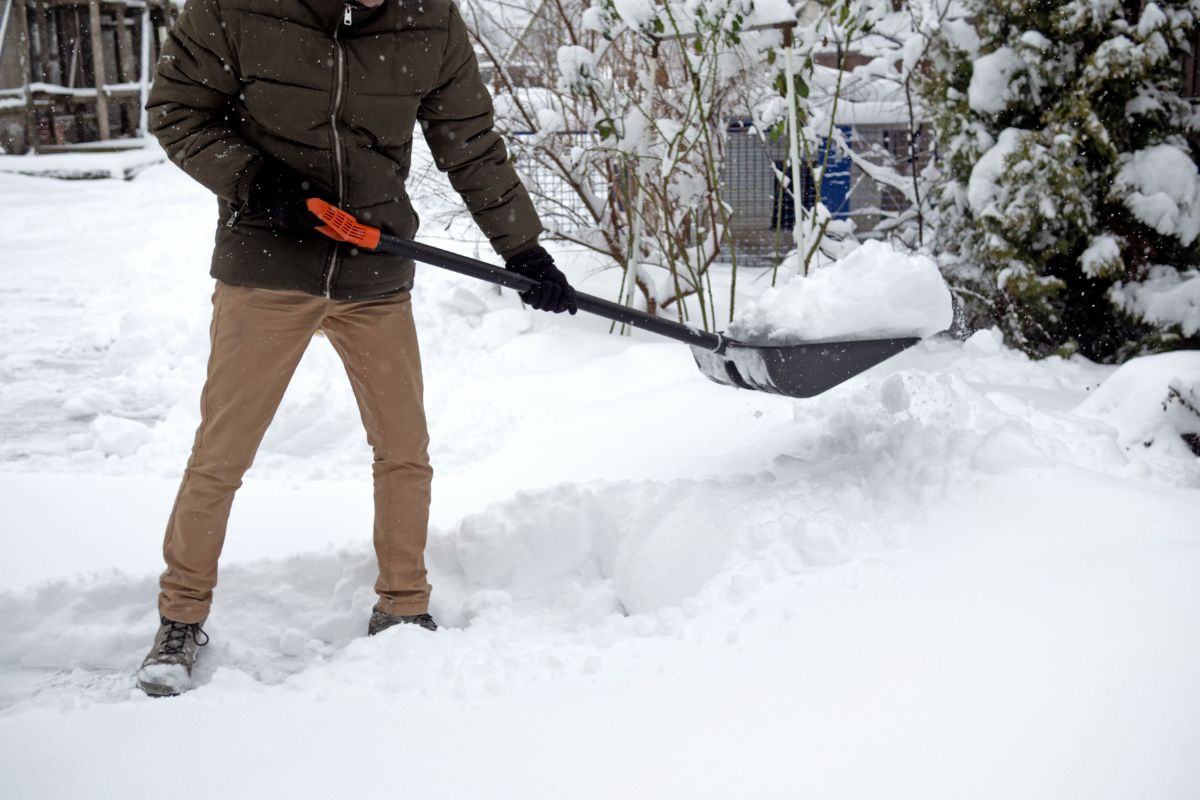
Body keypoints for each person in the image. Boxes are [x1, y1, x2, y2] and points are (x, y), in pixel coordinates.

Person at [135, 0, 577, 697]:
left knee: (405, 449)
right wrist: (258, 183)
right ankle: (179, 619)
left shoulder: (429, 20)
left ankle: (403, 607)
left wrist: (522, 249)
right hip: (268, 265)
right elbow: (176, 110)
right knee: (222, 454)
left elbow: (469, 140)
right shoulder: (238, 6)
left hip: (374, 268)